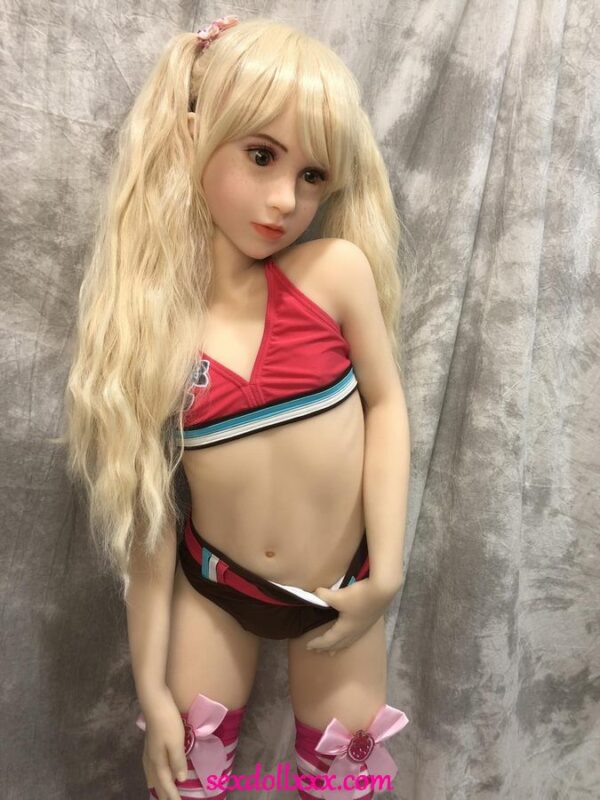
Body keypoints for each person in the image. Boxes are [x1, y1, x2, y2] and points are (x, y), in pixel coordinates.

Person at [59, 13, 412, 800]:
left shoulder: (336, 274)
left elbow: (387, 406)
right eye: (260, 155)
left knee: (346, 785)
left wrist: (387, 571)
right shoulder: (155, 330)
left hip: (340, 594)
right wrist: (152, 689)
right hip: (214, 589)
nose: (285, 199)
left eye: (313, 176)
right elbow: (149, 517)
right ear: (194, 135)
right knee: (188, 782)